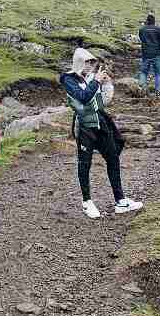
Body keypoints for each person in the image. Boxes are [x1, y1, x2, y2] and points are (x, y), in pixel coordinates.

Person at [61, 48, 143, 218]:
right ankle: (87, 201)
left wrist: (106, 83)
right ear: (79, 62)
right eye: (87, 62)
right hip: (84, 126)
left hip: (100, 123)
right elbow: (82, 97)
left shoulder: (91, 78)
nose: (90, 66)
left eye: (92, 62)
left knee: (113, 157)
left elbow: (102, 102)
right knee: (85, 162)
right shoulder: (67, 78)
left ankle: (121, 201)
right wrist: (97, 82)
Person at [138, 14, 160, 97]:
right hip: (157, 54)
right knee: (158, 73)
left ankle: (143, 90)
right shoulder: (158, 29)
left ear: (147, 21)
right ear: (154, 21)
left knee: (143, 72)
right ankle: (158, 91)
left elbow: (141, 39)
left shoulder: (142, 29)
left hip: (146, 54)